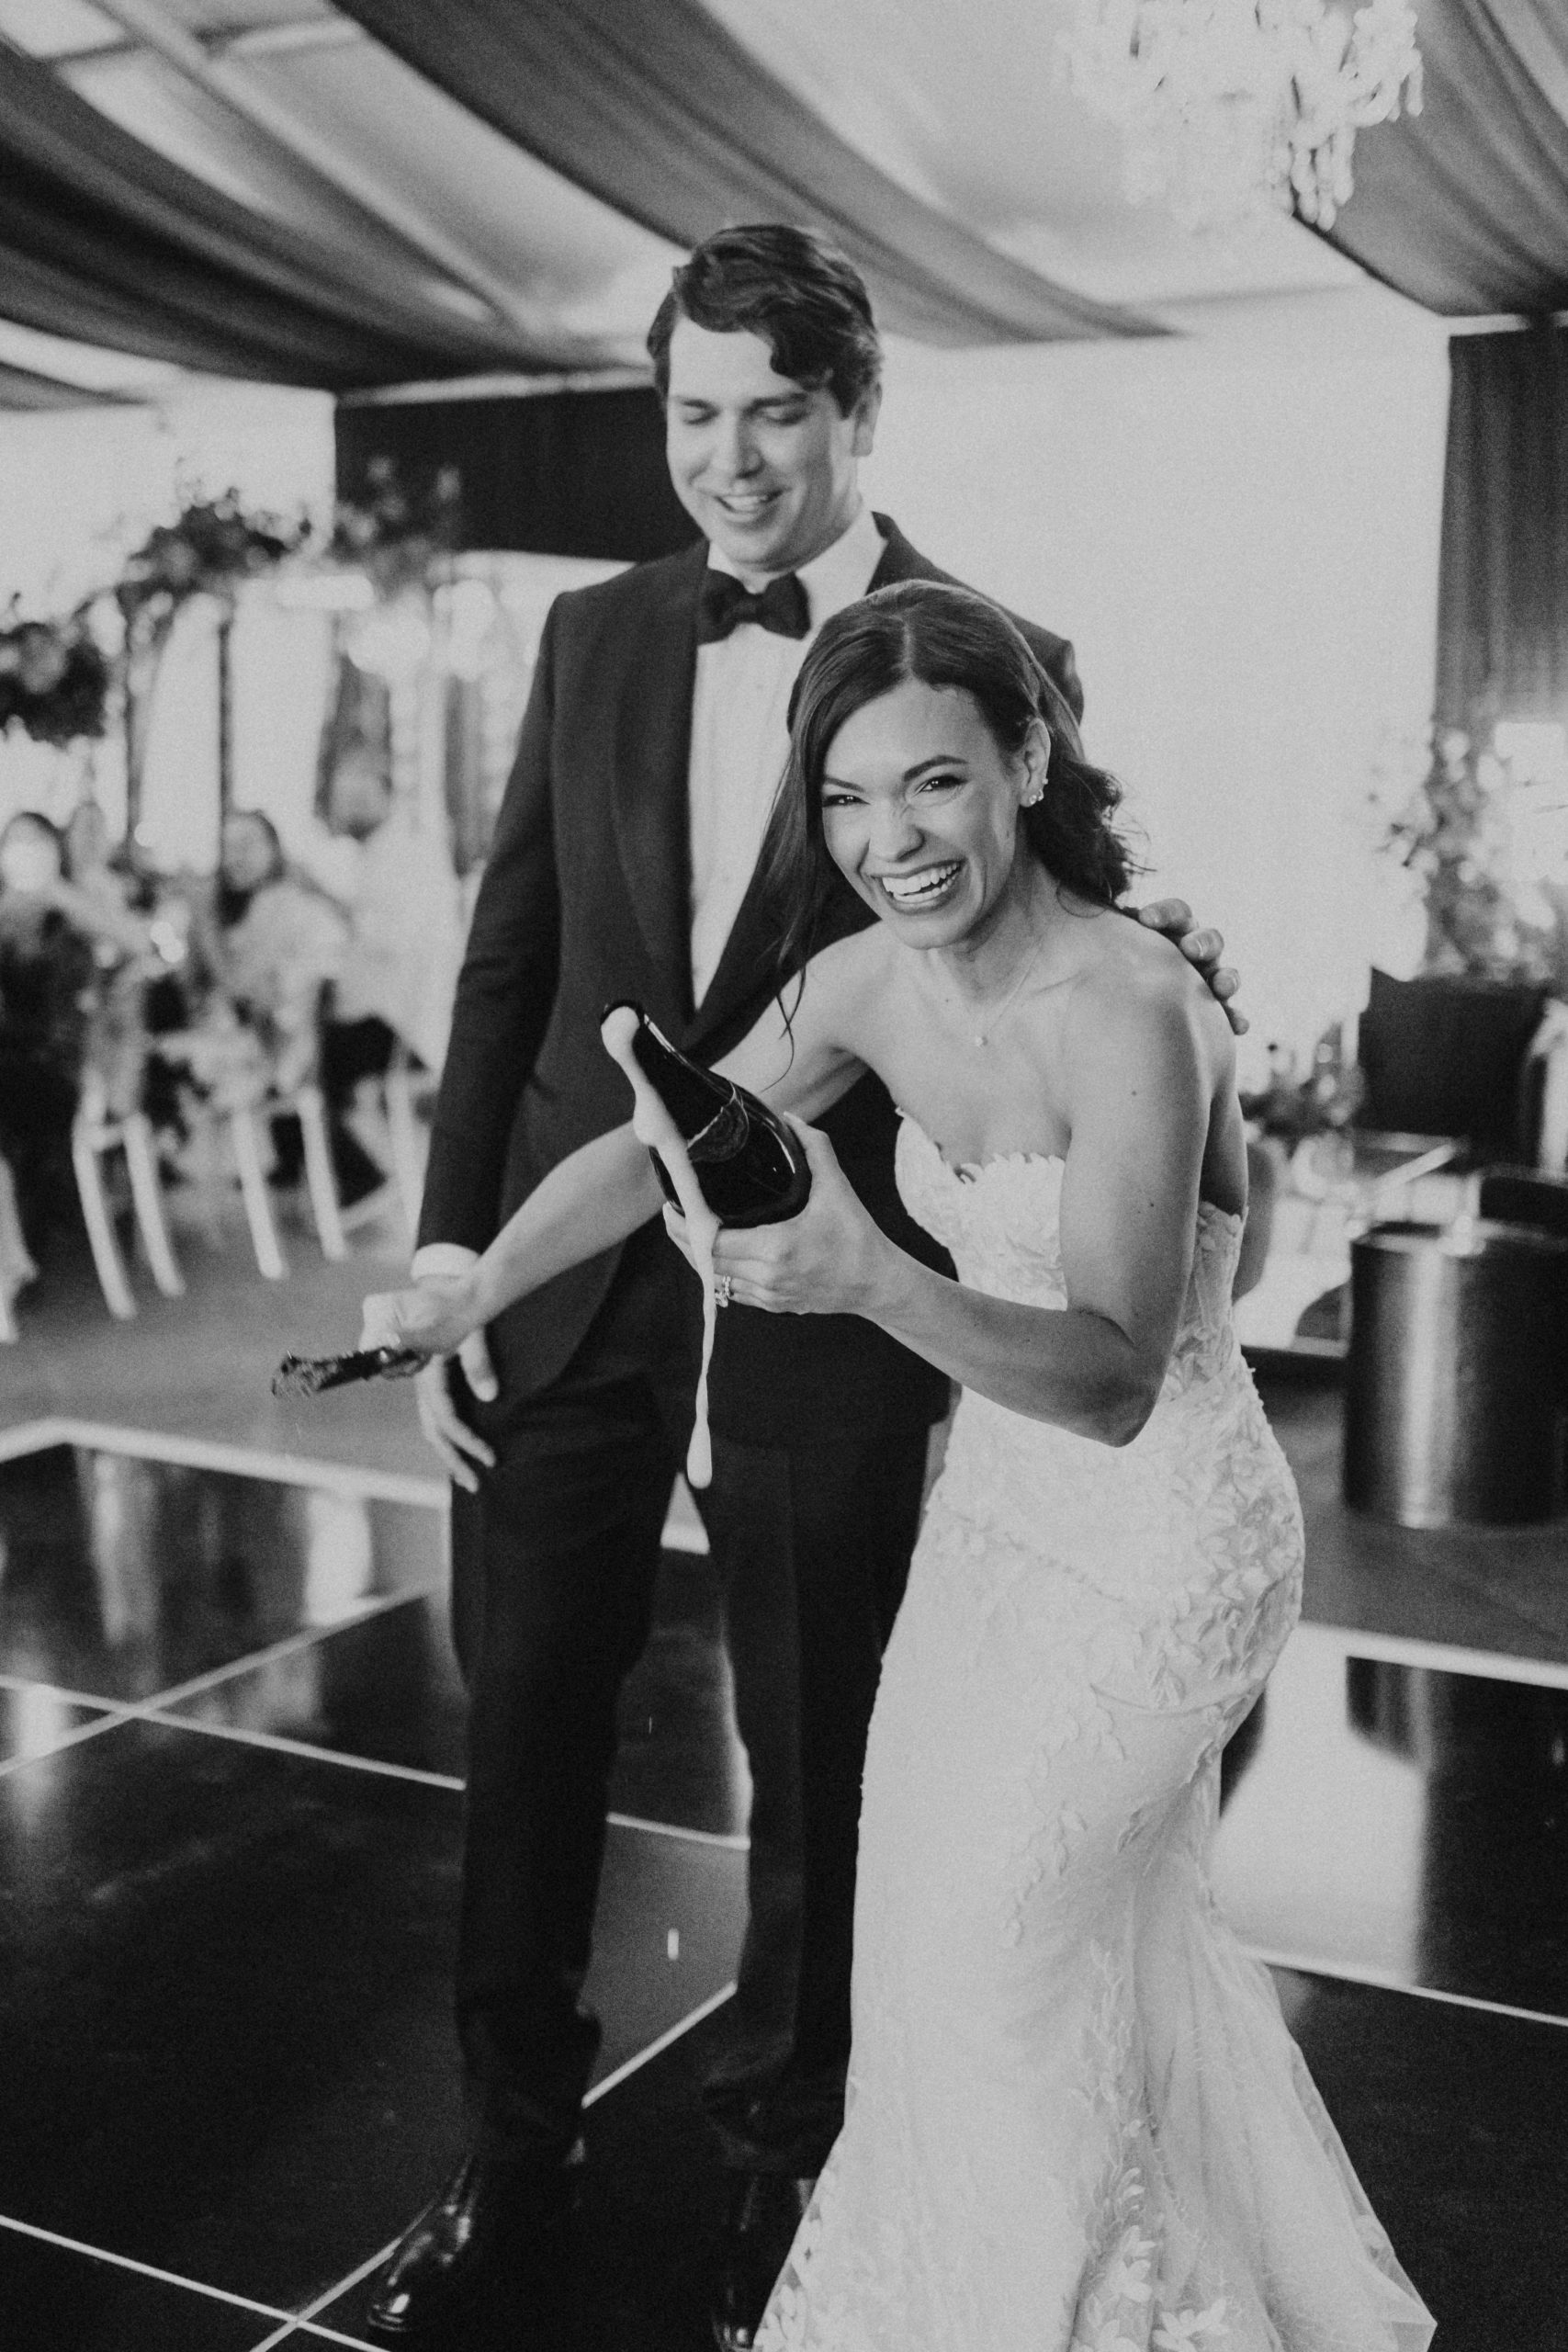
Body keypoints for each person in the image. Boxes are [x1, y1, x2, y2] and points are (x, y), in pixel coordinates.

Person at [364, 582, 1434, 2349]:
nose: (891, 842)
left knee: (994, 1955)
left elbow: (1114, 1381)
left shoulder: (1132, 1006)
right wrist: (474, 1283)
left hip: (1162, 1552)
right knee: (940, 1968)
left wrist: (871, 1277)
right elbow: (656, 1144)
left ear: (1028, 761)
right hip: (996, 1535)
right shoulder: (865, 977)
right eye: (849, 800)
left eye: (934, 783)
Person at [371, 223, 1242, 2349]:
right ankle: (508, 2140)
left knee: (825, 1760)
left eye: (774, 410)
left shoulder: (998, 659)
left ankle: (785, 2171)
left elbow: (1061, 1005)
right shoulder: (588, 631)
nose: (729, 457)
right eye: (693, 412)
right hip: (574, 1286)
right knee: (524, 1723)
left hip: (847, 1304)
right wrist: (456, 1256)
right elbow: (510, 969)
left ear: (859, 409)